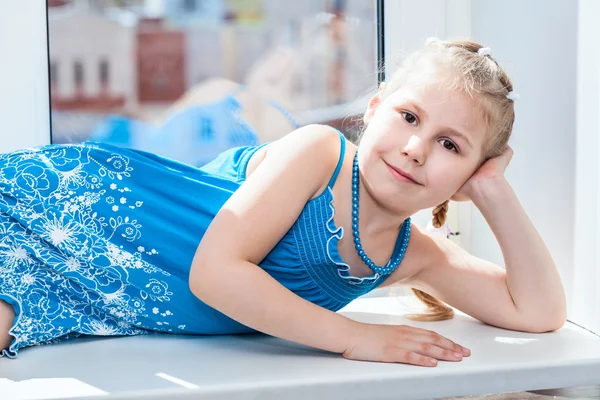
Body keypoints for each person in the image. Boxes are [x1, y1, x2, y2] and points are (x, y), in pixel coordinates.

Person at [0, 39, 567, 367]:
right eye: (409, 117)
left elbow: (538, 312)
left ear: (473, 171)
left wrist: (493, 191)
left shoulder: (413, 256)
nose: (417, 149)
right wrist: (355, 338)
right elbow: (215, 274)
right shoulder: (318, 152)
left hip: (108, 294)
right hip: (82, 209)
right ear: (373, 110)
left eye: (451, 145)